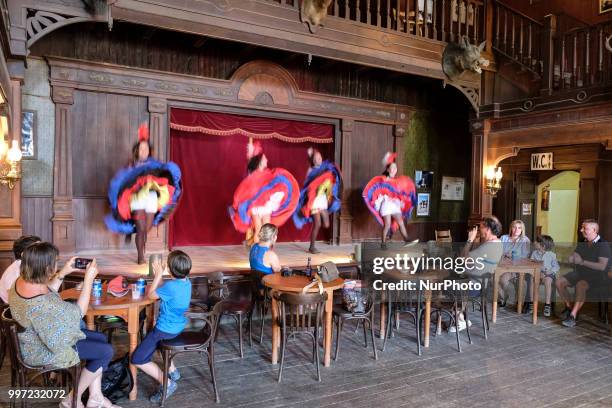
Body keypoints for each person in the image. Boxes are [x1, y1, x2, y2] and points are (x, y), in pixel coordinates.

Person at [9, 243, 118, 408]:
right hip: (43, 348)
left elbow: (47, 290)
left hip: (35, 336)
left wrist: (63, 273)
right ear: (46, 268)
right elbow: (79, 312)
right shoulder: (43, 304)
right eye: (55, 263)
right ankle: (72, 398)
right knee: (105, 351)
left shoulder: (21, 281)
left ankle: (96, 396)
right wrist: (88, 280)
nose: (56, 265)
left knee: (101, 338)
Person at [105, 123, 182, 264]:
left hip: (152, 197)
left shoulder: (155, 164)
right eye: (141, 148)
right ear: (137, 151)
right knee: (141, 228)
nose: (144, 151)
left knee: (146, 228)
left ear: (149, 151)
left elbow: (165, 175)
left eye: (146, 148)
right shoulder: (131, 165)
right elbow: (121, 181)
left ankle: (132, 231)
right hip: (136, 198)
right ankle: (141, 257)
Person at [131, 250, 192, 402]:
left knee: (137, 358)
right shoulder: (186, 282)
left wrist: (158, 274)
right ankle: (173, 370)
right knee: (157, 344)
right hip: (178, 326)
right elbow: (164, 291)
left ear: (170, 270)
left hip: (164, 330)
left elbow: (151, 295)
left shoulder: (171, 286)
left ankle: (168, 383)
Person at [229, 139, 299, 246]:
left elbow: (272, 186)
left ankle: (264, 250)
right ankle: (258, 252)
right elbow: (252, 190)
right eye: (265, 158)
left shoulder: (267, 174)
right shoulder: (255, 175)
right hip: (256, 205)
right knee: (259, 229)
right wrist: (251, 153)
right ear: (260, 161)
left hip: (264, 205)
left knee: (266, 229)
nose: (267, 160)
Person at [556, 219, 612, 327]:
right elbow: (574, 255)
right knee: (559, 282)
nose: (581, 230)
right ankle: (569, 307)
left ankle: (572, 316)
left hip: (598, 276)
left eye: (585, 228)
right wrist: (571, 258)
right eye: (582, 227)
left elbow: (601, 266)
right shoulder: (583, 241)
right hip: (581, 273)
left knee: (580, 285)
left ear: (594, 230)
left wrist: (582, 262)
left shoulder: (603, 245)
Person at [451, 217, 503, 332]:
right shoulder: (497, 243)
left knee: (443, 285)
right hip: (480, 285)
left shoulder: (488, 247)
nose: (479, 230)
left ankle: (459, 319)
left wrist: (470, 240)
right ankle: (462, 316)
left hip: (472, 286)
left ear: (488, 229)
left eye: (481, 227)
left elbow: (462, 259)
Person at [293, 147, 342, 254]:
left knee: (326, 225)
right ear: (313, 160)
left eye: (319, 157)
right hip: (314, 201)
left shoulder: (326, 168)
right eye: (316, 158)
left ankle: (312, 245)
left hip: (323, 200)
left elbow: (331, 181)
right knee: (317, 224)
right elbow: (309, 186)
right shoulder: (311, 171)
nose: (318, 159)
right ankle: (312, 247)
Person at [362, 152, 417, 249]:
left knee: (400, 222)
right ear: (388, 169)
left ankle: (407, 240)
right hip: (386, 205)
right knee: (387, 225)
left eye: (395, 168)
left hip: (394, 205)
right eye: (391, 168)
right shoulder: (383, 179)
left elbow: (402, 192)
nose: (393, 170)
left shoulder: (398, 181)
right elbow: (375, 188)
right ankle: (383, 244)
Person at [497, 220, 531, 308]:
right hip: (503, 266)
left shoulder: (525, 240)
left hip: (517, 268)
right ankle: (503, 297)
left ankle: (518, 303)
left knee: (504, 280)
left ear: (522, 230)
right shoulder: (504, 238)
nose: (516, 230)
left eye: (519, 228)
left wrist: (508, 255)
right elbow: (498, 252)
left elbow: (525, 256)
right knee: (492, 278)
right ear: (511, 228)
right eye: (514, 227)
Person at [0, 235, 40, 303]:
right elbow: (15, 301)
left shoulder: (28, 266)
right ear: (24, 254)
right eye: (38, 249)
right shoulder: (15, 270)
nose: (43, 252)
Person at [527, 235, 560, 317]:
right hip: (538, 273)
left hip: (548, 274)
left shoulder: (552, 255)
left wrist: (549, 272)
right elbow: (531, 264)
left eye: (537, 241)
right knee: (532, 280)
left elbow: (556, 267)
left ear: (543, 245)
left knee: (548, 281)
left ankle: (547, 304)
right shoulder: (534, 253)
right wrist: (538, 272)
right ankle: (532, 302)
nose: (534, 242)